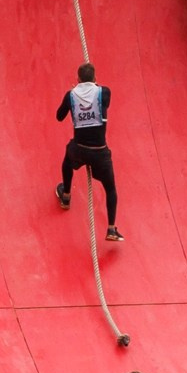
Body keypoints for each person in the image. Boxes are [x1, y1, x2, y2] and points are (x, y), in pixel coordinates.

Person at [55, 63, 121, 242]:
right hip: (100, 152)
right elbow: (104, 102)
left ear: (78, 80)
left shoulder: (71, 95)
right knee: (110, 188)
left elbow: (59, 117)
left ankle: (66, 195)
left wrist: (72, 96)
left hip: (80, 149)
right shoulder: (104, 92)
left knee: (68, 160)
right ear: (95, 79)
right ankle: (111, 228)